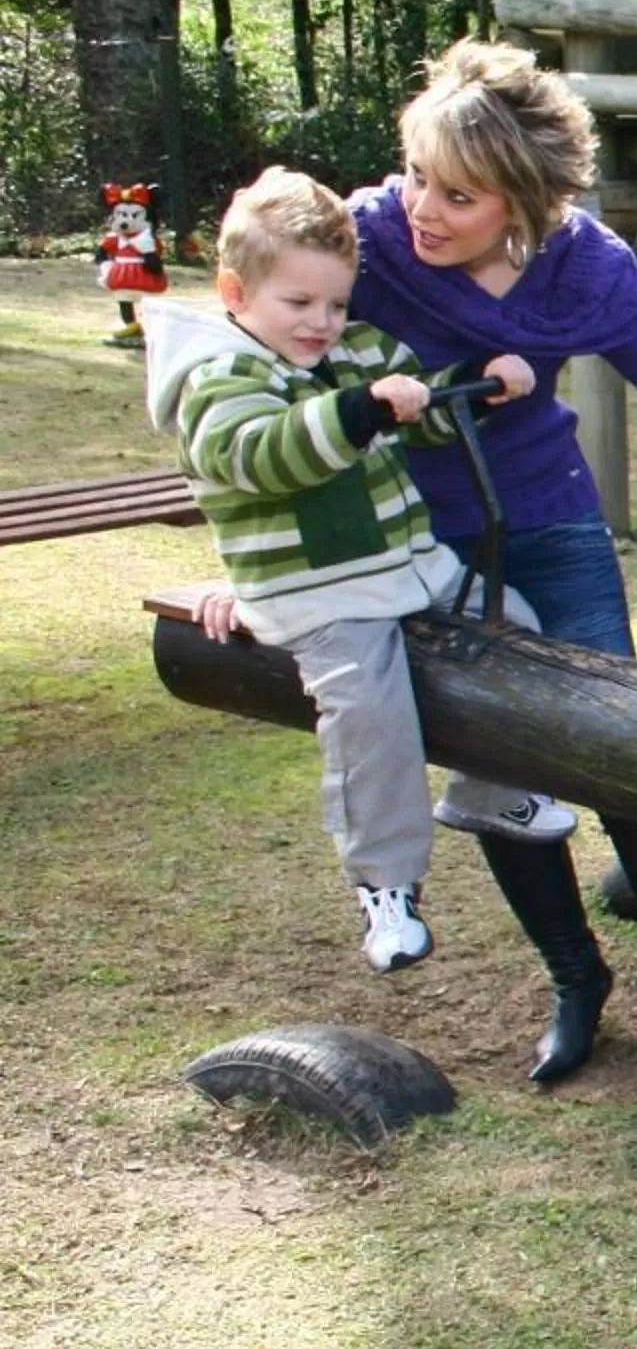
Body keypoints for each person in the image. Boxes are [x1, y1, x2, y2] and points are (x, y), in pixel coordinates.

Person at [345, 41, 637, 1093]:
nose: (423, 208)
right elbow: (271, 307)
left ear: (524, 201)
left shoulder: (583, 262)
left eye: (458, 195)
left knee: (621, 752)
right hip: (425, 547)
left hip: (551, 527)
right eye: (417, 175)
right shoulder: (368, 238)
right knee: (499, 765)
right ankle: (576, 981)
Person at [146, 166, 571, 973]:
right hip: (321, 594)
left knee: (515, 625)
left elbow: (423, 410)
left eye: (336, 304)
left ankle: (486, 790)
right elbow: (261, 456)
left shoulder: (358, 350)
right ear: (236, 293)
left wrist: (476, 390)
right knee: (371, 721)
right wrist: (363, 409)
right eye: (299, 303)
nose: (322, 322)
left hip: (408, 566)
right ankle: (386, 885)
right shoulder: (221, 379)